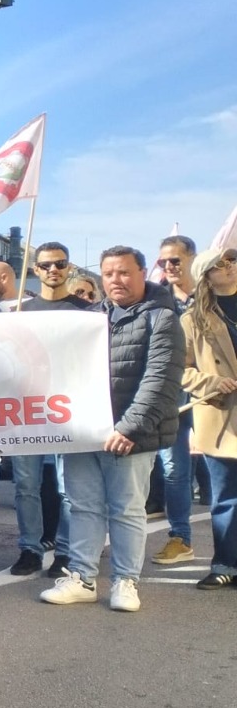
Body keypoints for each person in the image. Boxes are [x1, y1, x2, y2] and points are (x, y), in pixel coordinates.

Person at [41, 248, 183, 613]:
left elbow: (160, 380)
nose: (115, 280)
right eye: (108, 274)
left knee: (126, 510)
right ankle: (83, 578)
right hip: (84, 432)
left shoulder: (162, 318)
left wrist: (130, 428)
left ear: (141, 274)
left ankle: (125, 581)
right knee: (83, 506)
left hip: (129, 436)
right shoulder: (89, 319)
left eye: (123, 272)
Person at [4, 242, 91, 579]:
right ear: (35, 270)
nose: (53, 270)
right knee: (26, 484)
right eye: (46, 265)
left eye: (60, 264)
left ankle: (65, 552)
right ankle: (29, 549)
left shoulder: (87, 312)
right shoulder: (19, 313)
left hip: (69, 411)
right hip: (28, 410)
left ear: (69, 268)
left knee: (68, 488)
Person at [180, 247, 237, 588]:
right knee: (226, 494)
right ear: (206, 274)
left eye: (233, 261)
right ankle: (225, 564)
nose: (230, 267)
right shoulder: (192, 320)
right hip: (220, 410)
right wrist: (212, 381)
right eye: (221, 264)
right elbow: (179, 371)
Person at [149, 235, 199, 566]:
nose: (169, 266)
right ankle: (180, 537)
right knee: (174, 469)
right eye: (164, 261)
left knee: (223, 469)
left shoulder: (213, 295)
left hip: (215, 394)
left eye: (176, 260)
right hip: (174, 395)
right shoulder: (158, 299)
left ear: (192, 258)